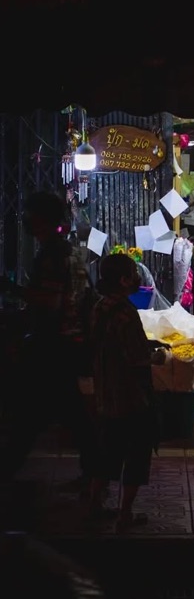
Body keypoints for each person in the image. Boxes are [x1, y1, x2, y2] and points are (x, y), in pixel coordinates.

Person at [0, 190, 98, 489]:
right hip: (69, 342)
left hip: (54, 345)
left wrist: (13, 290)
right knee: (64, 412)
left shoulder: (52, 255)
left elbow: (51, 301)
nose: (25, 220)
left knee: (32, 414)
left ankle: (94, 473)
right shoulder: (69, 251)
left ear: (40, 219)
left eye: (30, 215)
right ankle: (94, 473)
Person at [86, 253, 166, 533]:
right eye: (132, 273)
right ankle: (125, 514)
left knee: (106, 453)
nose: (136, 278)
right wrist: (157, 356)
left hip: (105, 394)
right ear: (123, 280)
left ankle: (94, 505)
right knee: (136, 456)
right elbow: (136, 358)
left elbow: (108, 345)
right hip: (131, 397)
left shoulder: (100, 307)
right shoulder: (126, 313)